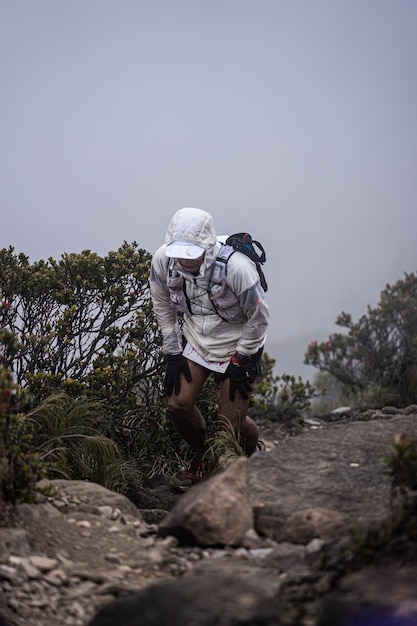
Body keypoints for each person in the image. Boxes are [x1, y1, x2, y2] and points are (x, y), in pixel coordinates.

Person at [149, 207, 270, 489]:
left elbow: (259, 317)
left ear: (206, 245)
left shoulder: (237, 267)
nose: (183, 260)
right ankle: (204, 456)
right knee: (178, 405)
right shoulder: (163, 260)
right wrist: (172, 350)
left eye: (191, 254)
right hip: (196, 339)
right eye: (179, 252)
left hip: (238, 341)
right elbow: (162, 300)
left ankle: (252, 454)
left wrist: (243, 359)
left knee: (231, 424)